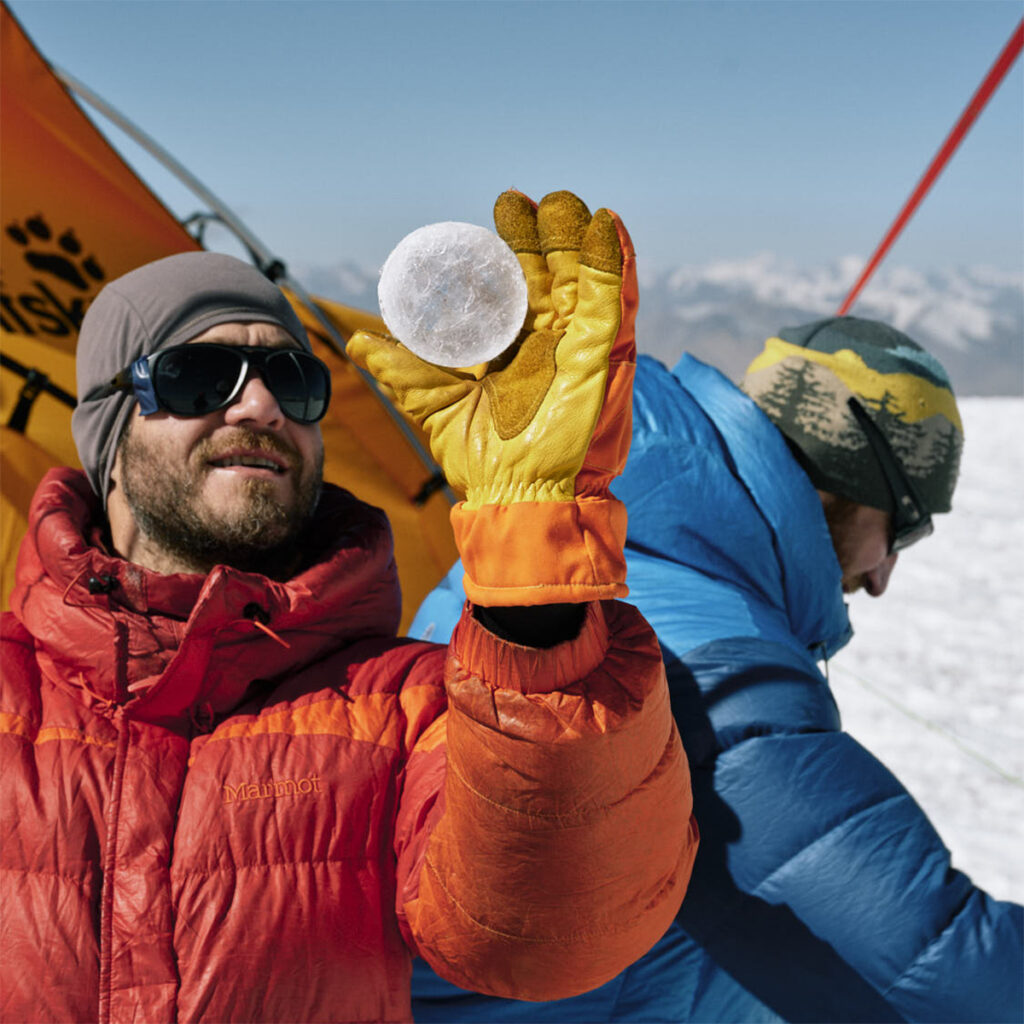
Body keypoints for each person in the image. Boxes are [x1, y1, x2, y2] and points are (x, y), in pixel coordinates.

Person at [0, 189, 699, 1023]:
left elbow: (542, 937)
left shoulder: (409, 709)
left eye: (293, 382)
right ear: (108, 442)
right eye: (197, 376)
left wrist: (532, 576)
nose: (259, 406)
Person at [409, 317, 1024, 1023]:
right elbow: (948, 967)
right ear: (849, 483)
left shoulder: (570, 537)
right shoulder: (719, 673)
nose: (883, 575)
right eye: (905, 525)